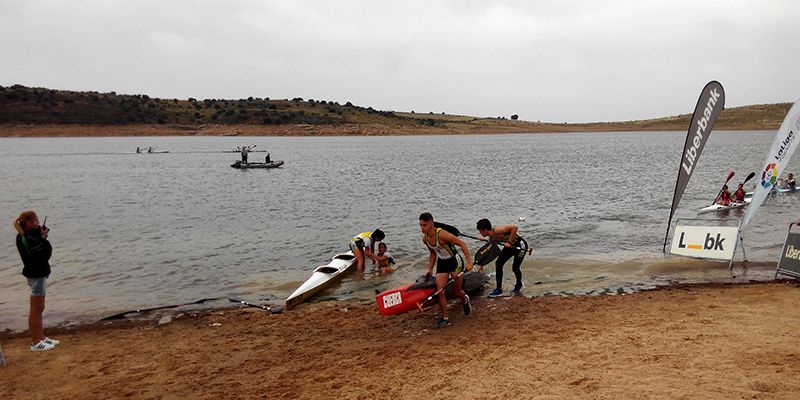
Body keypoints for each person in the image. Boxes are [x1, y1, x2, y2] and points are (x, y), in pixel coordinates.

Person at [14, 211, 60, 352]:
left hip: (37, 273)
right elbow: (44, 254)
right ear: (29, 223)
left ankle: (41, 337)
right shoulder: (26, 238)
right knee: (36, 309)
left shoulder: (27, 236)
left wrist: (41, 236)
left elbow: (40, 250)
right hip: (36, 274)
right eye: (36, 221)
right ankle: (36, 341)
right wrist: (44, 238)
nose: (38, 224)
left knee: (39, 308)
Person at [419, 212, 473, 328]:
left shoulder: (442, 234)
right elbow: (433, 253)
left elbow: (462, 244)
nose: (422, 228)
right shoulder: (425, 239)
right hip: (442, 262)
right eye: (421, 225)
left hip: (454, 261)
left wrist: (469, 262)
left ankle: (465, 300)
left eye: (424, 225)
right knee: (440, 291)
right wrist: (430, 269)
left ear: (431, 224)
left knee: (457, 291)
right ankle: (445, 318)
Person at [476, 218, 529, 297]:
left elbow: (514, 228)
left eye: (480, 231)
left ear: (485, 230)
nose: (480, 233)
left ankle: (519, 284)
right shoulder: (491, 239)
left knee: (515, 268)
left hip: (520, 246)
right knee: (498, 263)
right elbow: (487, 252)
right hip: (510, 247)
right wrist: (481, 266)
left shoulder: (498, 230)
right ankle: (499, 289)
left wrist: (509, 241)